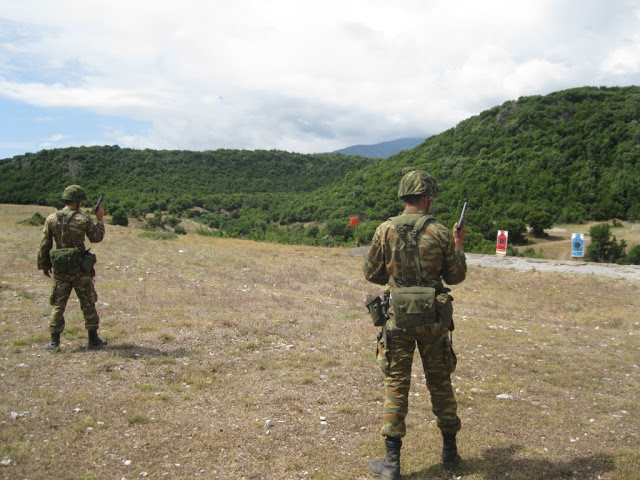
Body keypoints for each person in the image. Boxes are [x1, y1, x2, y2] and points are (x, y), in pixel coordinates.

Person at [363, 170, 467, 478]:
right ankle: (450, 452)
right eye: (430, 198)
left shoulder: (384, 230)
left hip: (398, 319)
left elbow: (372, 273)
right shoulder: (440, 233)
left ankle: (392, 463)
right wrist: (459, 243)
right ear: (424, 198)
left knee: (397, 384)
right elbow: (455, 276)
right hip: (434, 321)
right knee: (440, 382)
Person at [37, 185, 107, 350]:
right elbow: (96, 238)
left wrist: (44, 265)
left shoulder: (51, 219)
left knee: (58, 305)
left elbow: (44, 245)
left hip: (60, 269)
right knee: (88, 302)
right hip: (80, 268)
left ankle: (54, 341)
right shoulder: (83, 219)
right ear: (77, 201)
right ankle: (93, 339)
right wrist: (100, 219)